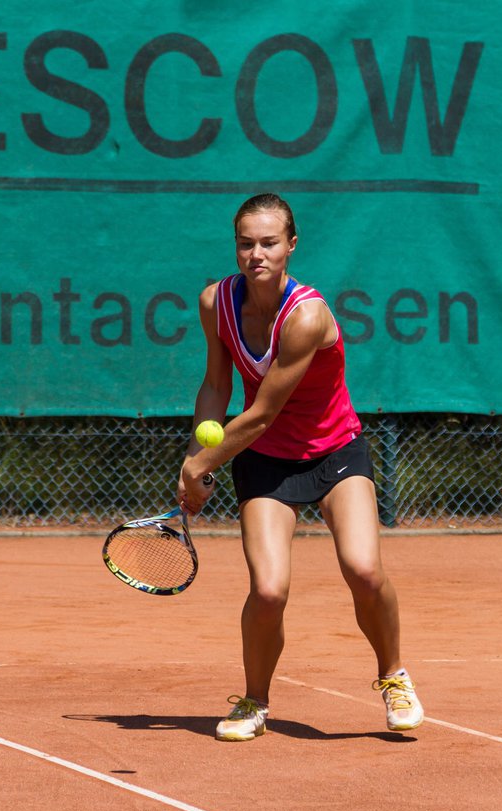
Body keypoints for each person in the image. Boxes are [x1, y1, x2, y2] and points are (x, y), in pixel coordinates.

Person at [177, 193, 423, 742]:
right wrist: (201, 457)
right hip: (267, 465)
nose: (256, 254)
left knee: (363, 569)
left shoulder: (307, 315)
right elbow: (217, 385)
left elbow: (263, 412)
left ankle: (393, 675)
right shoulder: (215, 303)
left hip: (336, 453)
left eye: (268, 243)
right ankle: (254, 701)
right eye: (246, 244)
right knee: (268, 591)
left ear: (291, 245)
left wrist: (199, 467)